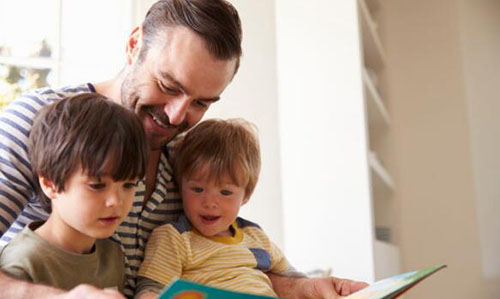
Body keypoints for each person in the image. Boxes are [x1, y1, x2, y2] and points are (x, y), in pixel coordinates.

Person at [0, 0, 367, 298]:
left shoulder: (190, 158)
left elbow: (221, 266)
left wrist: (303, 288)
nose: (177, 117)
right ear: (134, 46)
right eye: (168, 85)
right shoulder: (39, 121)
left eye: (201, 103)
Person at [0, 93, 148, 295]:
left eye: (129, 185)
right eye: (97, 185)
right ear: (50, 184)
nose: (116, 201)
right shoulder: (22, 263)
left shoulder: (113, 255)